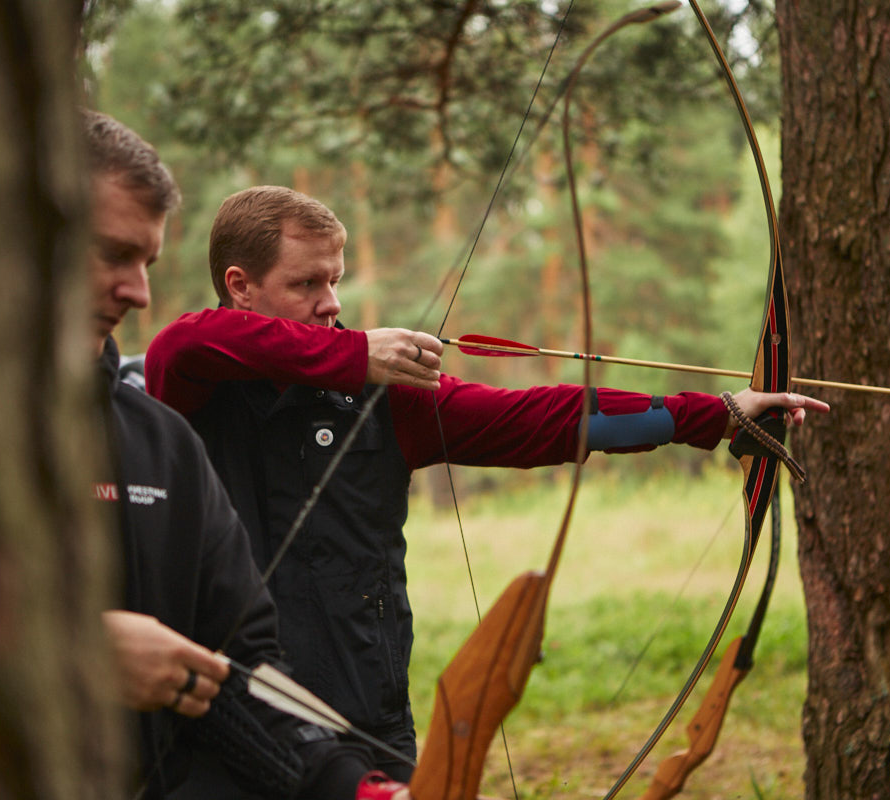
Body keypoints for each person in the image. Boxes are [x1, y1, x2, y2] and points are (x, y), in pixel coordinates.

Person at [143, 185, 830, 778]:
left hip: (362, 710)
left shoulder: (386, 400)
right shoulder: (194, 391)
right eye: (307, 284)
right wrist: (353, 353)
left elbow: (543, 418)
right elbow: (183, 343)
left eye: (336, 280)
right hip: (225, 716)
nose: (332, 303)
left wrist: (713, 415)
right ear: (240, 286)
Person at [82, 113, 419, 800]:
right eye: (110, 254)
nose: (138, 291)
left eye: (145, 262)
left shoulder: (161, 442)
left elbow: (241, 666)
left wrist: (356, 789)